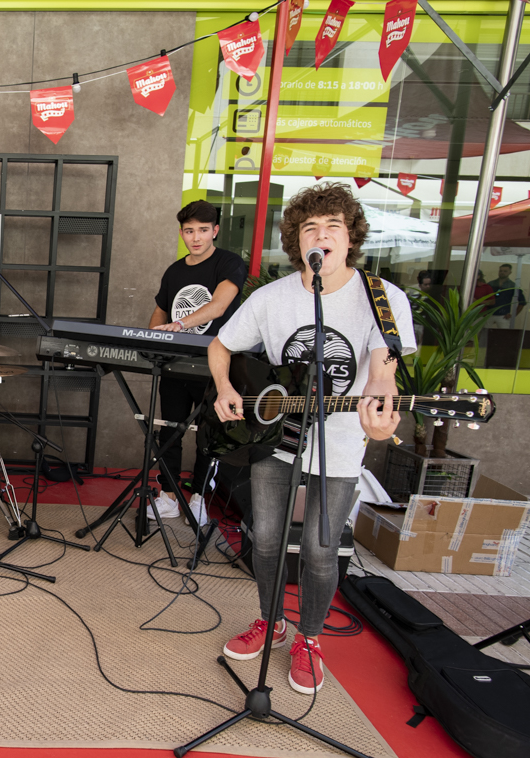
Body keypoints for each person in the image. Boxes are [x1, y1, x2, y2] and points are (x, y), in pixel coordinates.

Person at [209, 183, 414, 695]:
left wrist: (380, 412)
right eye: (310, 228)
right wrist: (226, 388)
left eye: (332, 227)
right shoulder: (271, 298)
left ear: (350, 238)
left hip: (340, 443)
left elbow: (382, 372)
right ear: (297, 241)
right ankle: (271, 620)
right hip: (275, 437)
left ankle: (310, 637)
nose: (321, 236)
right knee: (266, 538)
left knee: (322, 549)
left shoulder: (383, 299)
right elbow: (220, 345)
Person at [148, 200, 247, 523]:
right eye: (189, 231)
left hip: (214, 366)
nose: (196, 237)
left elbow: (219, 306)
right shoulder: (174, 271)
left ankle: (200, 497)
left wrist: (179, 325)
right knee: (170, 431)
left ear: (215, 231)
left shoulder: (229, 263)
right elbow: (160, 312)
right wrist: (152, 338)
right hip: (176, 364)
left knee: (209, 435)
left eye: (203, 230)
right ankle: (168, 497)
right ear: (182, 233)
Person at [488, 263, 525, 329]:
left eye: (505, 271)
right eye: (501, 271)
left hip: (503, 315)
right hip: (488, 314)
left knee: (504, 333)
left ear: (510, 272)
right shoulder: (491, 284)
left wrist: (513, 315)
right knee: (483, 332)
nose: (502, 272)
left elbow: (522, 302)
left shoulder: (512, 286)